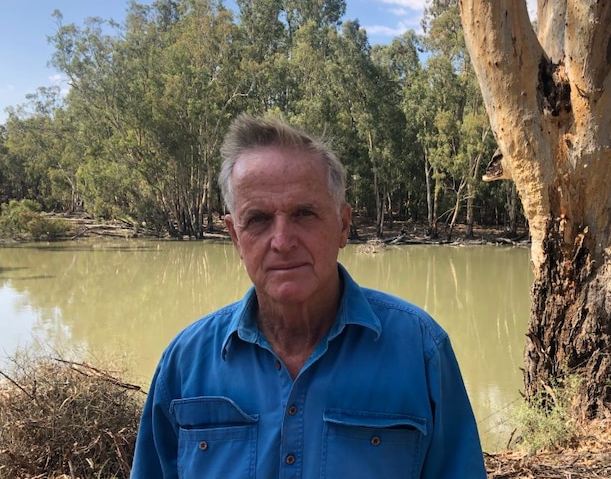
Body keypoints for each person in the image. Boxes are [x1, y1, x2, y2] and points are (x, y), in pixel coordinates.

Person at [131, 114, 487, 478]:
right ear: (235, 237)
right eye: (257, 219)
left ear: (343, 226)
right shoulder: (185, 363)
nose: (283, 242)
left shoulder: (420, 351)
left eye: (304, 213)